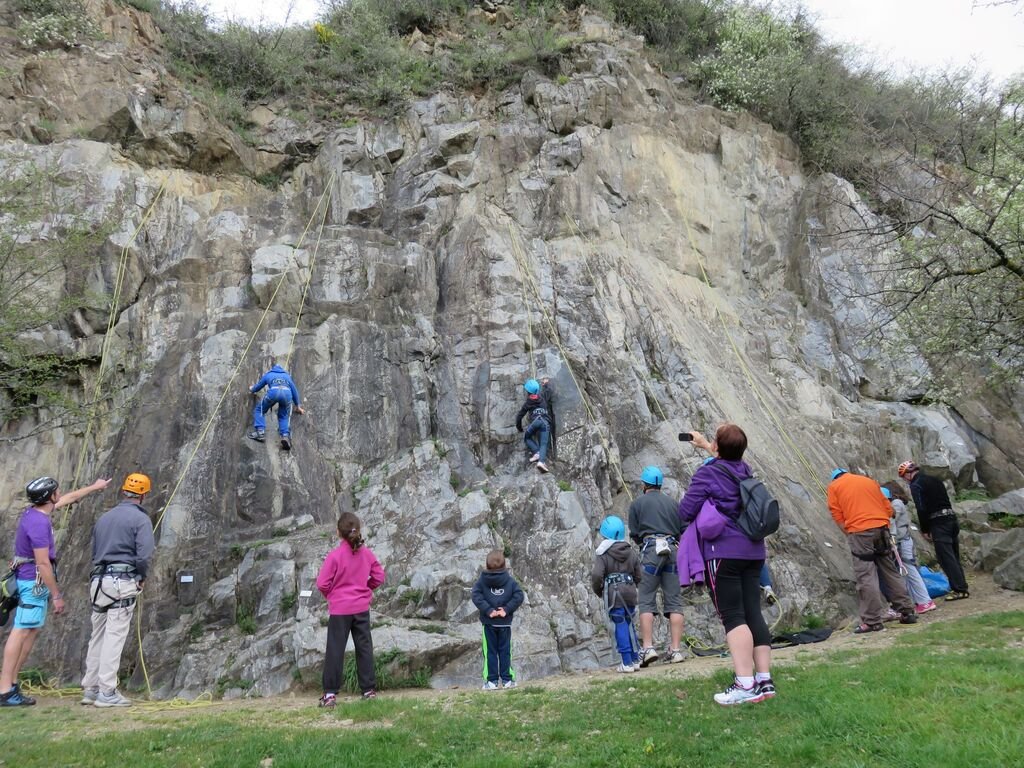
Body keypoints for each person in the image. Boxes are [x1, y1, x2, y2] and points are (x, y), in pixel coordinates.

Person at [679, 425, 775, 705]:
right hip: (753, 551)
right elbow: (727, 459)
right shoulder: (746, 470)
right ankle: (764, 680)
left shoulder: (707, 474)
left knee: (733, 616)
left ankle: (744, 683)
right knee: (752, 612)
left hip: (724, 552)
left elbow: (685, 511)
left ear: (718, 447)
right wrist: (706, 446)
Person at [0, 475, 111, 707]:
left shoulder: (35, 512)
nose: (59, 493)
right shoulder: (39, 524)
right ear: (49, 496)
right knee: (20, 631)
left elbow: (69, 498)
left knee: (30, 630)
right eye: (56, 491)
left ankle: (11, 684)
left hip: (30, 581)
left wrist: (95, 487)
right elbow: (42, 563)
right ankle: (5, 689)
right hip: (33, 582)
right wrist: (57, 595)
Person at [80, 473, 156, 708]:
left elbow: (95, 551)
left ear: (124, 491)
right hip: (121, 582)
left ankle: (91, 688)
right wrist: (141, 577)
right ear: (143, 495)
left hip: (98, 581)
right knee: (114, 636)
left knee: (97, 635)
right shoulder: (141, 520)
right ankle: (107, 691)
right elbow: (144, 555)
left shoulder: (104, 518)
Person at [828, 469, 917, 633]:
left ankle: (872, 620)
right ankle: (907, 611)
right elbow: (889, 509)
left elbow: (837, 515)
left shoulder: (834, 487)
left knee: (866, 575)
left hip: (860, 532)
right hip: (882, 529)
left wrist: (850, 533)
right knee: (890, 570)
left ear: (834, 479)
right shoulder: (868, 481)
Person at [316, 513, 386, 707]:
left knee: (335, 650)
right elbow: (379, 577)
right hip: (361, 608)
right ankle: (369, 691)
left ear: (338, 532)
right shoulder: (366, 554)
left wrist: (332, 595)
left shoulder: (335, 556)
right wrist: (365, 589)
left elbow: (322, 583)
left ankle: (330, 695)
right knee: (364, 648)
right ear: (358, 530)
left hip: (340, 609)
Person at [627, 466, 685, 667]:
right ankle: (675, 650)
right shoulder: (673, 504)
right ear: (660, 484)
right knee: (674, 600)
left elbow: (635, 534)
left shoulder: (637, 504)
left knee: (646, 599)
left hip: (651, 550)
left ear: (644, 484)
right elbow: (682, 530)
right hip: (673, 551)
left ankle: (648, 648)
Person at [898, 461, 969, 600]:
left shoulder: (916, 485)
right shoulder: (934, 479)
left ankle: (959, 589)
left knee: (946, 558)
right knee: (954, 556)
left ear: (907, 474)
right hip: (951, 519)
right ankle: (961, 586)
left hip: (938, 522)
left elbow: (921, 508)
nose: (905, 480)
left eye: (903, 477)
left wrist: (925, 529)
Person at [591, 516, 642, 673]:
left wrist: (599, 591)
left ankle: (626, 662)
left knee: (620, 623)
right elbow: (639, 575)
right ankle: (635, 659)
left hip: (614, 593)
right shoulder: (631, 552)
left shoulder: (603, 553)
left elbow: (597, 575)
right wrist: (633, 586)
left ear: (605, 534)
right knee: (629, 622)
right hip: (629, 591)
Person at [471, 549, 525, 690]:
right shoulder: (509, 580)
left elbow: (475, 595)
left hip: (488, 624)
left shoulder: (482, 581)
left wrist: (489, 610)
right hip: (505, 624)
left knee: (490, 652)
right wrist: (506, 609)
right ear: (504, 565)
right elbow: (519, 595)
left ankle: (491, 682)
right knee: (505, 652)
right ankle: (508, 680)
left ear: (487, 565)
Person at [881, 483, 936, 614]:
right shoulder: (897, 503)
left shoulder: (896, 503)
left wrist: (891, 538)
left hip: (902, 542)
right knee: (905, 572)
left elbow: (892, 520)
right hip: (901, 541)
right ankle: (917, 600)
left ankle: (924, 600)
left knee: (910, 570)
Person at [248, 362, 305, 450]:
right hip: (287, 394)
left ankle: (260, 432)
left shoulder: (269, 374)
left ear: (273, 369)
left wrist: (252, 389)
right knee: (283, 416)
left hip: (273, 393)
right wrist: (298, 406)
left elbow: (258, 386)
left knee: (259, 410)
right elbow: (294, 391)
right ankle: (285, 436)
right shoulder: (287, 376)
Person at [514, 377, 555, 474]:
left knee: (527, 437)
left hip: (535, 422)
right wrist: (546, 384)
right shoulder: (543, 396)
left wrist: (519, 428)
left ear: (527, 392)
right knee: (544, 444)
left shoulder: (528, 403)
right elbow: (549, 391)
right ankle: (541, 461)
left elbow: (519, 417)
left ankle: (536, 452)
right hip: (545, 423)